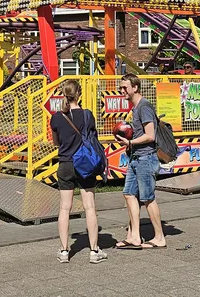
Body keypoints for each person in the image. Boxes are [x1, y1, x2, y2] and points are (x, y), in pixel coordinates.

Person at [49, 81, 106, 264]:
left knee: (65, 208)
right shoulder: (88, 115)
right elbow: (92, 138)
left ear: (64, 95)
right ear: (79, 94)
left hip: (65, 164)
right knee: (89, 206)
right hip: (85, 165)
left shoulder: (57, 118)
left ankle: (64, 251)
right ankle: (94, 251)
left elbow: (56, 143)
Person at [115, 74, 166, 250]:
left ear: (135, 88)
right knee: (129, 194)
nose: (122, 90)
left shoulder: (144, 107)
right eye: (121, 87)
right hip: (135, 157)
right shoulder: (135, 108)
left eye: (124, 87)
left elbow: (150, 135)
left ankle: (159, 237)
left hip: (146, 157)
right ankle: (134, 236)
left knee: (147, 198)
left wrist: (130, 142)